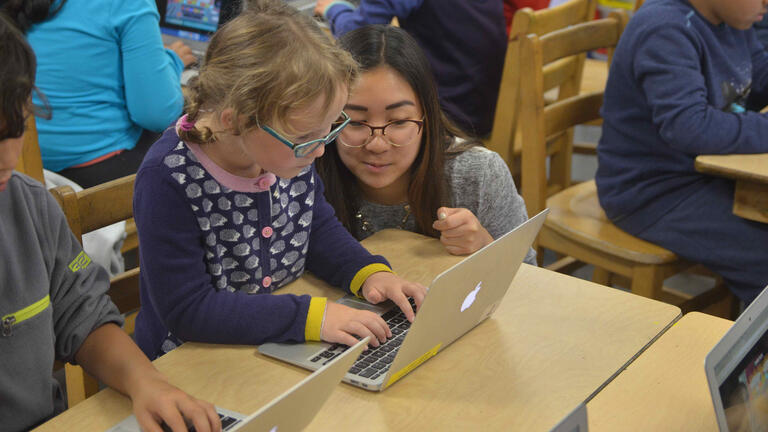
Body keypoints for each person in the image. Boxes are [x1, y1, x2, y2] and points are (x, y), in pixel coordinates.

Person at [132, 1, 427, 361]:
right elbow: (189, 310)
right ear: (235, 121)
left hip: (271, 346)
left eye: (328, 130)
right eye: (306, 138)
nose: (319, 152)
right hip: (191, 363)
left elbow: (316, 227)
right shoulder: (168, 177)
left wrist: (367, 272)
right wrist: (309, 316)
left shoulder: (288, 153)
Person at [0, 14, 220, 432]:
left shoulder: (28, 207)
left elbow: (82, 313)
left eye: (14, 129)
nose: (8, 161)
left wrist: (146, 382)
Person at [595, 0, 768, 303]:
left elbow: (761, 76)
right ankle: (747, 345)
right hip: (653, 193)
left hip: (704, 174)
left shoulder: (733, 19)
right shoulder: (666, 29)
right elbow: (691, 127)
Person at [315, 25, 535, 262]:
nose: (377, 145)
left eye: (399, 121)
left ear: (426, 116)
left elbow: (528, 277)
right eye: (356, 122)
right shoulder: (304, 174)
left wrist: (486, 245)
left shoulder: (478, 175)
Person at [1, 0, 195, 188]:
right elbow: (156, 114)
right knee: (194, 135)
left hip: (23, 161)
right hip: (93, 170)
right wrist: (173, 61)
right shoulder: (128, 5)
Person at [313, 0, 506, 137]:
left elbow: (358, 33)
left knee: (330, 122)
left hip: (448, 117)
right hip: (490, 108)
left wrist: (334, 9)